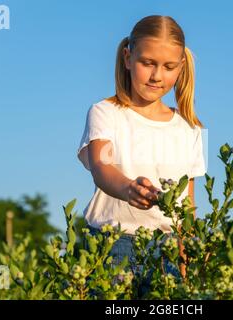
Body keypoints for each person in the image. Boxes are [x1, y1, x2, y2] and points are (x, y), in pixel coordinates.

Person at [77, 15, 206, 297]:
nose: (157, 75)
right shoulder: (105, 112)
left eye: (168, 67)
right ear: (127, 58)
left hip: (167, 250)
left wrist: (187, 261)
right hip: (111, 245)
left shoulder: (191, 128)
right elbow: (100, 165)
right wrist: (127, 188)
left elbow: (188, 207)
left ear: (181, 67)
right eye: (147, 63)